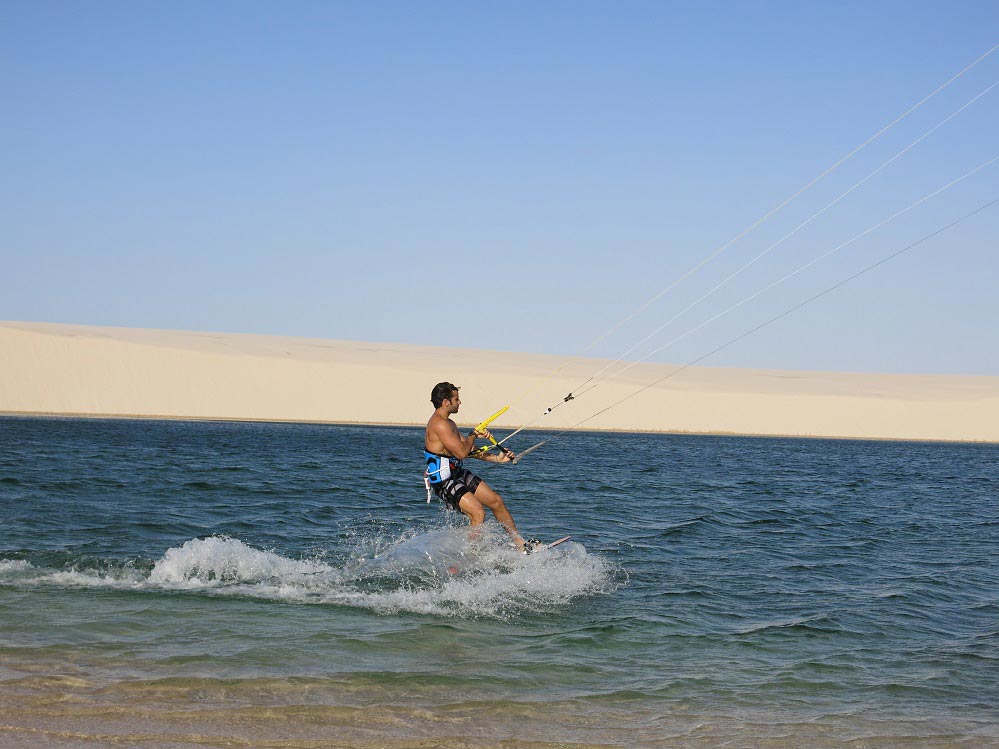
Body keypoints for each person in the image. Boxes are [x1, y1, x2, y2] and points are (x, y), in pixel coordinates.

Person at [424, 382, 527, 552]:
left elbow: (468, 448)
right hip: (443, 480)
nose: (460, 402)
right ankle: (469, 558)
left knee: (496, 501)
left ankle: (520, 544)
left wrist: (497, 458)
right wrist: (473, 435)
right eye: (456, 398)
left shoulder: (449, 423)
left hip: (456, 473)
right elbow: (461, 453)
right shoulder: (439, 424)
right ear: (446, 402)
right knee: (478, 513)